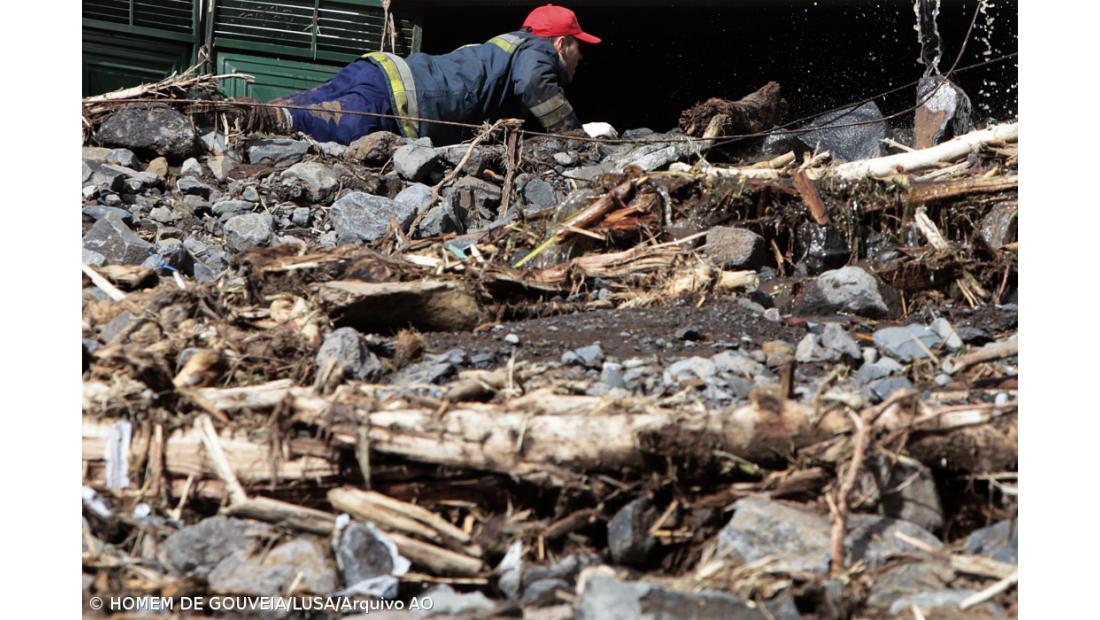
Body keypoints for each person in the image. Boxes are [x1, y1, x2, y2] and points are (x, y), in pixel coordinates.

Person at [252, 4, 600, 146]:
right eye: (577, 47)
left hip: (379, 70)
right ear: (559, 44)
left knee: (290, 108)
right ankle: (241, 117)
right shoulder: (535, 50)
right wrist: (572, 136)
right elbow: (535, 83)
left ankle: (234, 114)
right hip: (398, 99)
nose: (580, 56)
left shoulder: (498, 50)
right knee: (303, 120)